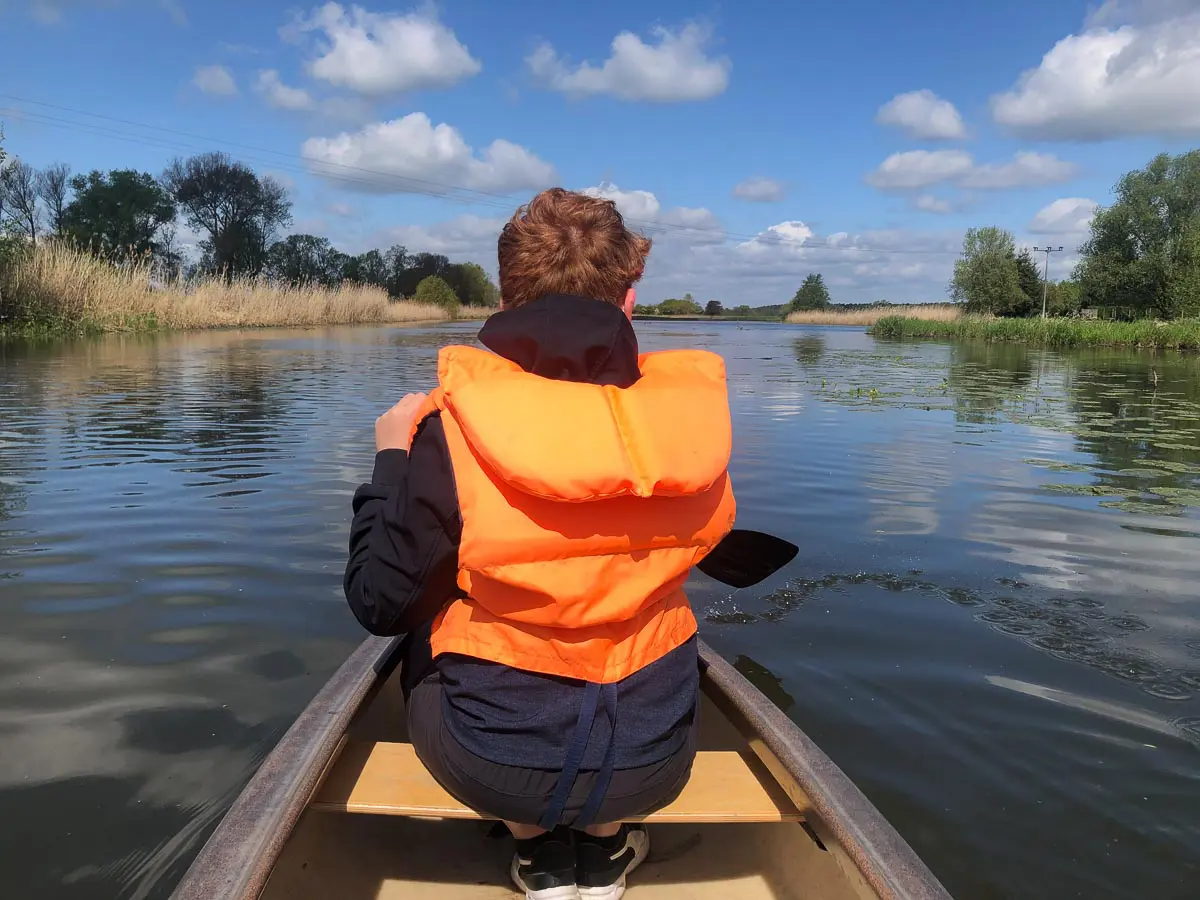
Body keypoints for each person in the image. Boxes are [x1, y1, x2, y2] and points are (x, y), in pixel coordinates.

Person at [344, 187, 736, 900]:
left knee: (422, 612)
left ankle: (535, 850)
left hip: (492, 764)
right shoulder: (691, 431)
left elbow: (378, 600)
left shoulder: (452, 430)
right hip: (655, 763)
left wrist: (393, 458)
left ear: (506, 295)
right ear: (628, 300)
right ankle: (607, 843)